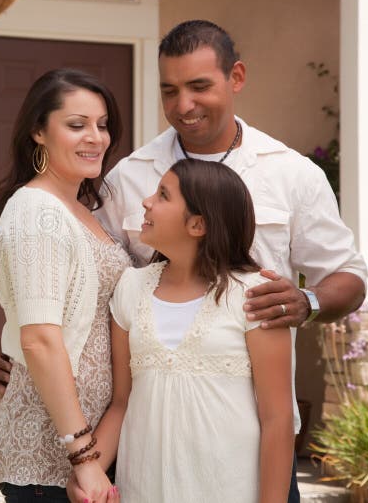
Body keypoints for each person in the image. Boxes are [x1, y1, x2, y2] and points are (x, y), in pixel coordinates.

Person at [0, 20, 368, 503]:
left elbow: (350, 276)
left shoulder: (291, 173)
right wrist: (23, 347)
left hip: (248, 442)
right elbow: (69, 275)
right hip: (141, 443)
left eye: (199, 86)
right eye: (169, 90)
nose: (183, 105)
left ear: (236, 78)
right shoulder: (126, 176)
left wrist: (306, 301)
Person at [86, 158, 294, 502]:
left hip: (229, 488)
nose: (146, 201)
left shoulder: (255, 295)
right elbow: (121, 403)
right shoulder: (131, 287)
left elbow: (278, 419)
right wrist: (89, 469)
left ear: (198, 224)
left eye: (163, 195)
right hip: (144, 486)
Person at [0, 68, 131, 503]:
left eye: (102, 125)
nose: (96, 137)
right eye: (77, 125)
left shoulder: (83, 209)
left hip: (90, 450)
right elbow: (40, 340)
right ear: (38, 131)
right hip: (50, 459)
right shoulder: (36, 210)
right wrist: (85, 458)